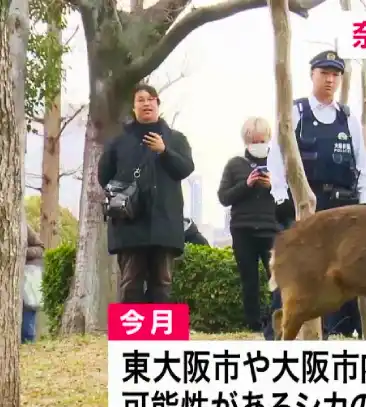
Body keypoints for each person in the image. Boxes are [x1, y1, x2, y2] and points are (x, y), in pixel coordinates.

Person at [266, 50, 366, 340]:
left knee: (339, 273)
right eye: (324, 73)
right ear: (312, 74)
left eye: (335, 75)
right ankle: (279, 333)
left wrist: (365, 203)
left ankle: (334, 332)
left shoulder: (347, 119)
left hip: (341, 207)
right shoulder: (297, 112)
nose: (330, 80)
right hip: (305, 205)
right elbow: (277, 156)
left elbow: (362, 164)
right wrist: (280, 196)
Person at [98, 83, 195, 303]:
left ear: (158, 104)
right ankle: (132, 326)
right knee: (130, 283)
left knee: (162, 284)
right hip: (129, 224)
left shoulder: (176, 139)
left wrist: (164, 151)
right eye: (140, 100)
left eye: (151, 99)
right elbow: (104, 177)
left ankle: (158, 327)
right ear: (133, 107)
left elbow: (185, 169)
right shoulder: (119, 141)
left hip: (165, 223)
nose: (146, 104)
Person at [218, 116, 279, 333]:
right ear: (246, 141)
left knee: (277, 278)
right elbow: (224, 197)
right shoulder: (235, 165)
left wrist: (272, 185)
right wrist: (246, 184)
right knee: (249, 280)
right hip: (243, 230)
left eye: (262, 141)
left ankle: (277, 321)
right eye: (254, 141)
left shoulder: (277, 164)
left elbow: (289, 198)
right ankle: (253, 324)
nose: (258, 145)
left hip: (271, 229)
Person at [22, 220, 44, 344]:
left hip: (26, 277)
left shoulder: (21, 223)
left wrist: (22, 253)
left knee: (27, 329)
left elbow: (40, 248)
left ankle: (28, 346)